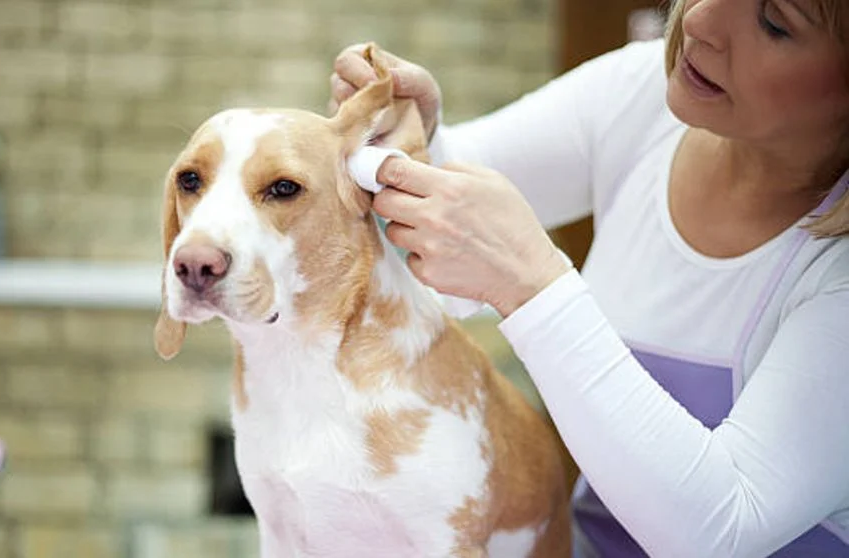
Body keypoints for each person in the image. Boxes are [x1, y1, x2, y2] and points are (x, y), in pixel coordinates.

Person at [329, 0, 849, 556]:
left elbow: (720, 528)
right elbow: (446, 186)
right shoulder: (642, 93)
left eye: (774, 23)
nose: (698, 21)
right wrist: (411, 140)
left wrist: (534, 286)